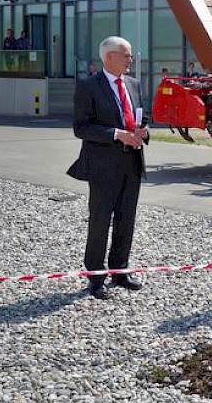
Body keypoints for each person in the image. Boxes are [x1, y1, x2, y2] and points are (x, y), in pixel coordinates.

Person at [67, 36, 150, 300]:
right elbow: (81, 128)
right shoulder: (89, 86)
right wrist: (116, 134)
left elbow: (139, 116)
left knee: (127, 220)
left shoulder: (133, 84)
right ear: (109, 57)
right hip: (103, 166)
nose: (130, 60)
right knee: (100, 220)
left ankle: (120, 271)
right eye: (126, 56)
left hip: (132, 163)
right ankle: (95, 276)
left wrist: (142, 132)